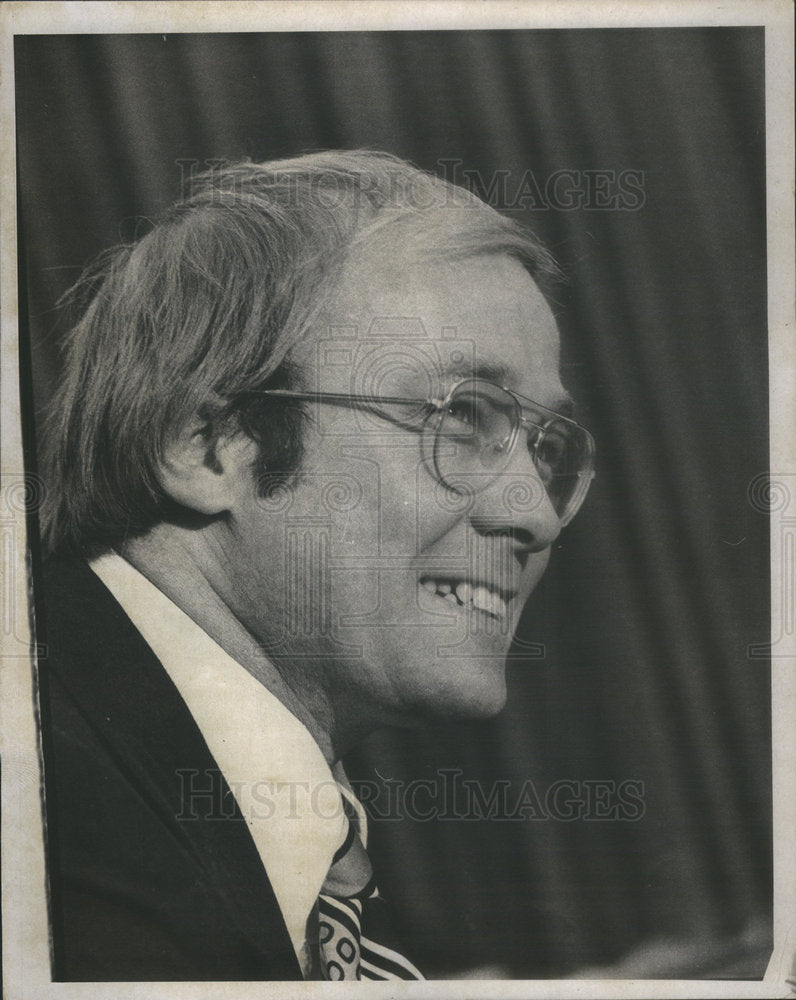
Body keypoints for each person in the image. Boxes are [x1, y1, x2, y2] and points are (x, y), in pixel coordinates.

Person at [35, 150, 595, 981]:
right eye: (463, 417)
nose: (535, 513)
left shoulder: (293, 842)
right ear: (209, 446)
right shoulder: (42, 812)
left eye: (546, 446)